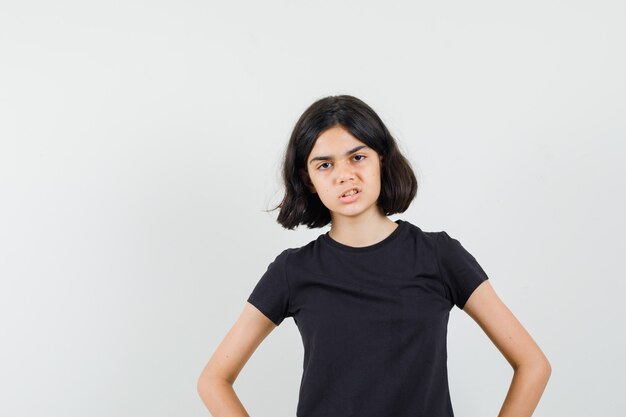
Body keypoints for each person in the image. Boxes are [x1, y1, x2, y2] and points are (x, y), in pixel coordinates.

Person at [197, 95, 551, 417]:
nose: (344, 175)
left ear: (381, 159)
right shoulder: (293, 270)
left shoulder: (438, 255)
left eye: (357, 157)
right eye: (325, 165)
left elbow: (532, 364)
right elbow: (214, 380)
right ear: (308, 180)